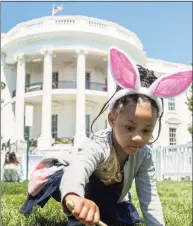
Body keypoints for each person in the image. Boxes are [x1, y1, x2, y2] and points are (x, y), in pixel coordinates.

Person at [20, 47, 192, 226]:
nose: (138, 138)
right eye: (129, 127)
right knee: (77, 183)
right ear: (112, 119)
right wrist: (74, 197)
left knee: (117, 217)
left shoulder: (144, 155)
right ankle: (78, 216)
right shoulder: (99, 144)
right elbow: (77, 170)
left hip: (106, 191)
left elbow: (149, 196)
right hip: (67, 178)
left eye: (146, 130)